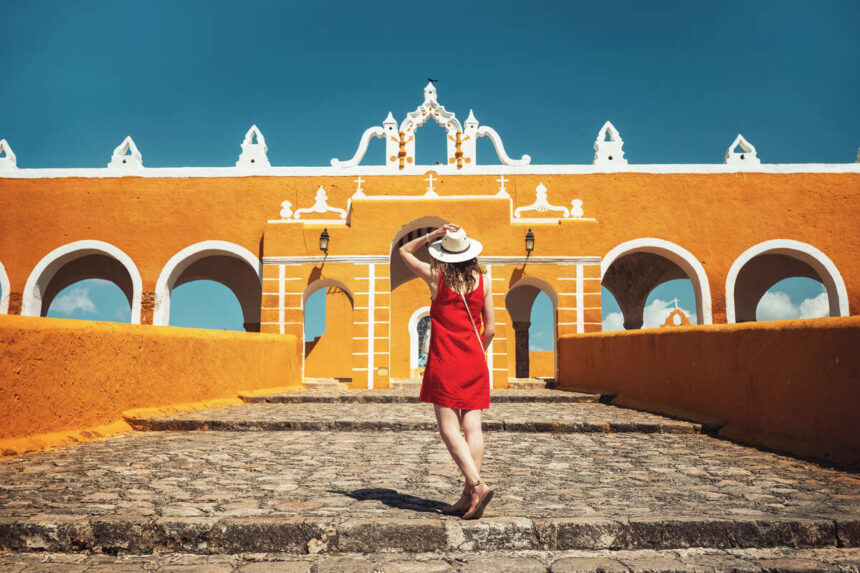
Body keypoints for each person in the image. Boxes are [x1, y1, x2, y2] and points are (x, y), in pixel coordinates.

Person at [399, 223, 495, 520]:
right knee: (473, 428)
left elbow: (403, 250)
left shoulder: (436, 277)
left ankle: (477, 486)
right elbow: (490, 328)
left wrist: (432, 235)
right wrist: (475, 351)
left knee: (448, 429)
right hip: (475, 358)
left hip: (446, 360)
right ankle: (468, 496)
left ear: (445, 254)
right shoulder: (484, 279)